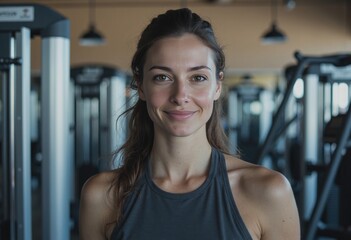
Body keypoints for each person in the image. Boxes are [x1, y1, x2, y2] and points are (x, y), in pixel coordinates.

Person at [79, 8, 300, 240]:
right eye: (162, 77)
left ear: (217, 86)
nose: (180, 95)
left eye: (198, 78)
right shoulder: (102, 196)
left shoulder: (268, 192)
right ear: (141, 86)